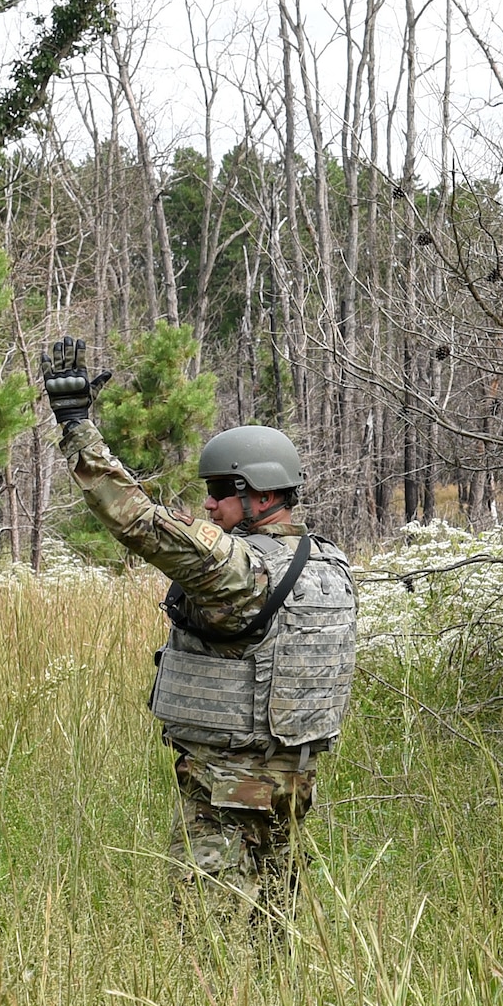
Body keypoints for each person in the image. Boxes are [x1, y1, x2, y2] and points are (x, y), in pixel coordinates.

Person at [41, 336, 359, 940]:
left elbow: (136, 520)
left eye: (221, 492)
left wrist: (79, 428)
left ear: (262, 495)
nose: (209, 505)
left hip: (226, 790)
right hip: (291, 783)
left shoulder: (240, 569)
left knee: (206, 940)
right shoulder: (330, 565)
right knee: (273, 928)